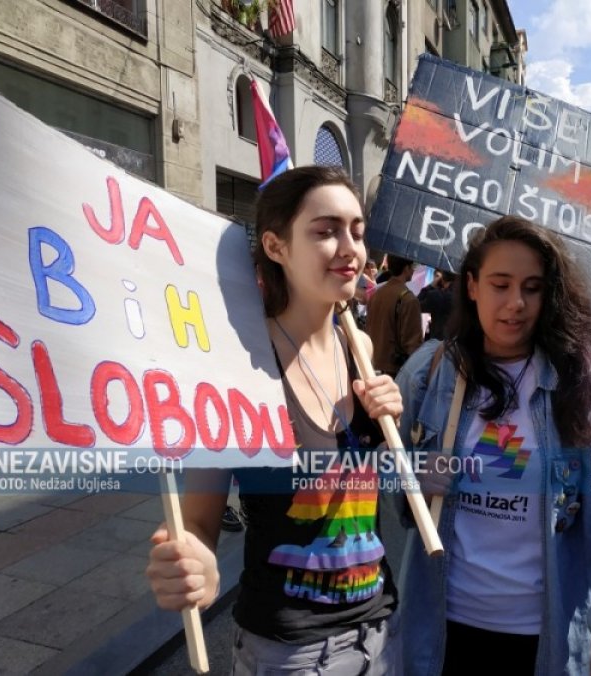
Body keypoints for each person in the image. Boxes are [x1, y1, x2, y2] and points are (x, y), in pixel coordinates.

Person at [146, 166, 404, 674]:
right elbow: (198, 521)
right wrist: (195, 563)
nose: (351, 247)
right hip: (290, 650)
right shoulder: (237, 364)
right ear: (275, 246)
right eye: (325, 230)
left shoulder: (362, 347)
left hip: (378, 631)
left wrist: (393, 418)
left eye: (356, 229)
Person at [395, 216, 591, 675]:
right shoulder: (426, 374)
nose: (515, 303)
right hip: (441, 630)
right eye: (500, 284)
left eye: (532, 288)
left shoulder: (581, 386)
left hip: (543, 636)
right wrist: (409, 477)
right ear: (472, 286)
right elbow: (388, 481)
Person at [366, 254, 424, 377]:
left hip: (370, 365)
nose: (413, 270)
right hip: (395, 373)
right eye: (412, 267)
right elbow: (413, 344)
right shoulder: (408, 299)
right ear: (406, 268)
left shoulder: (377, 294)